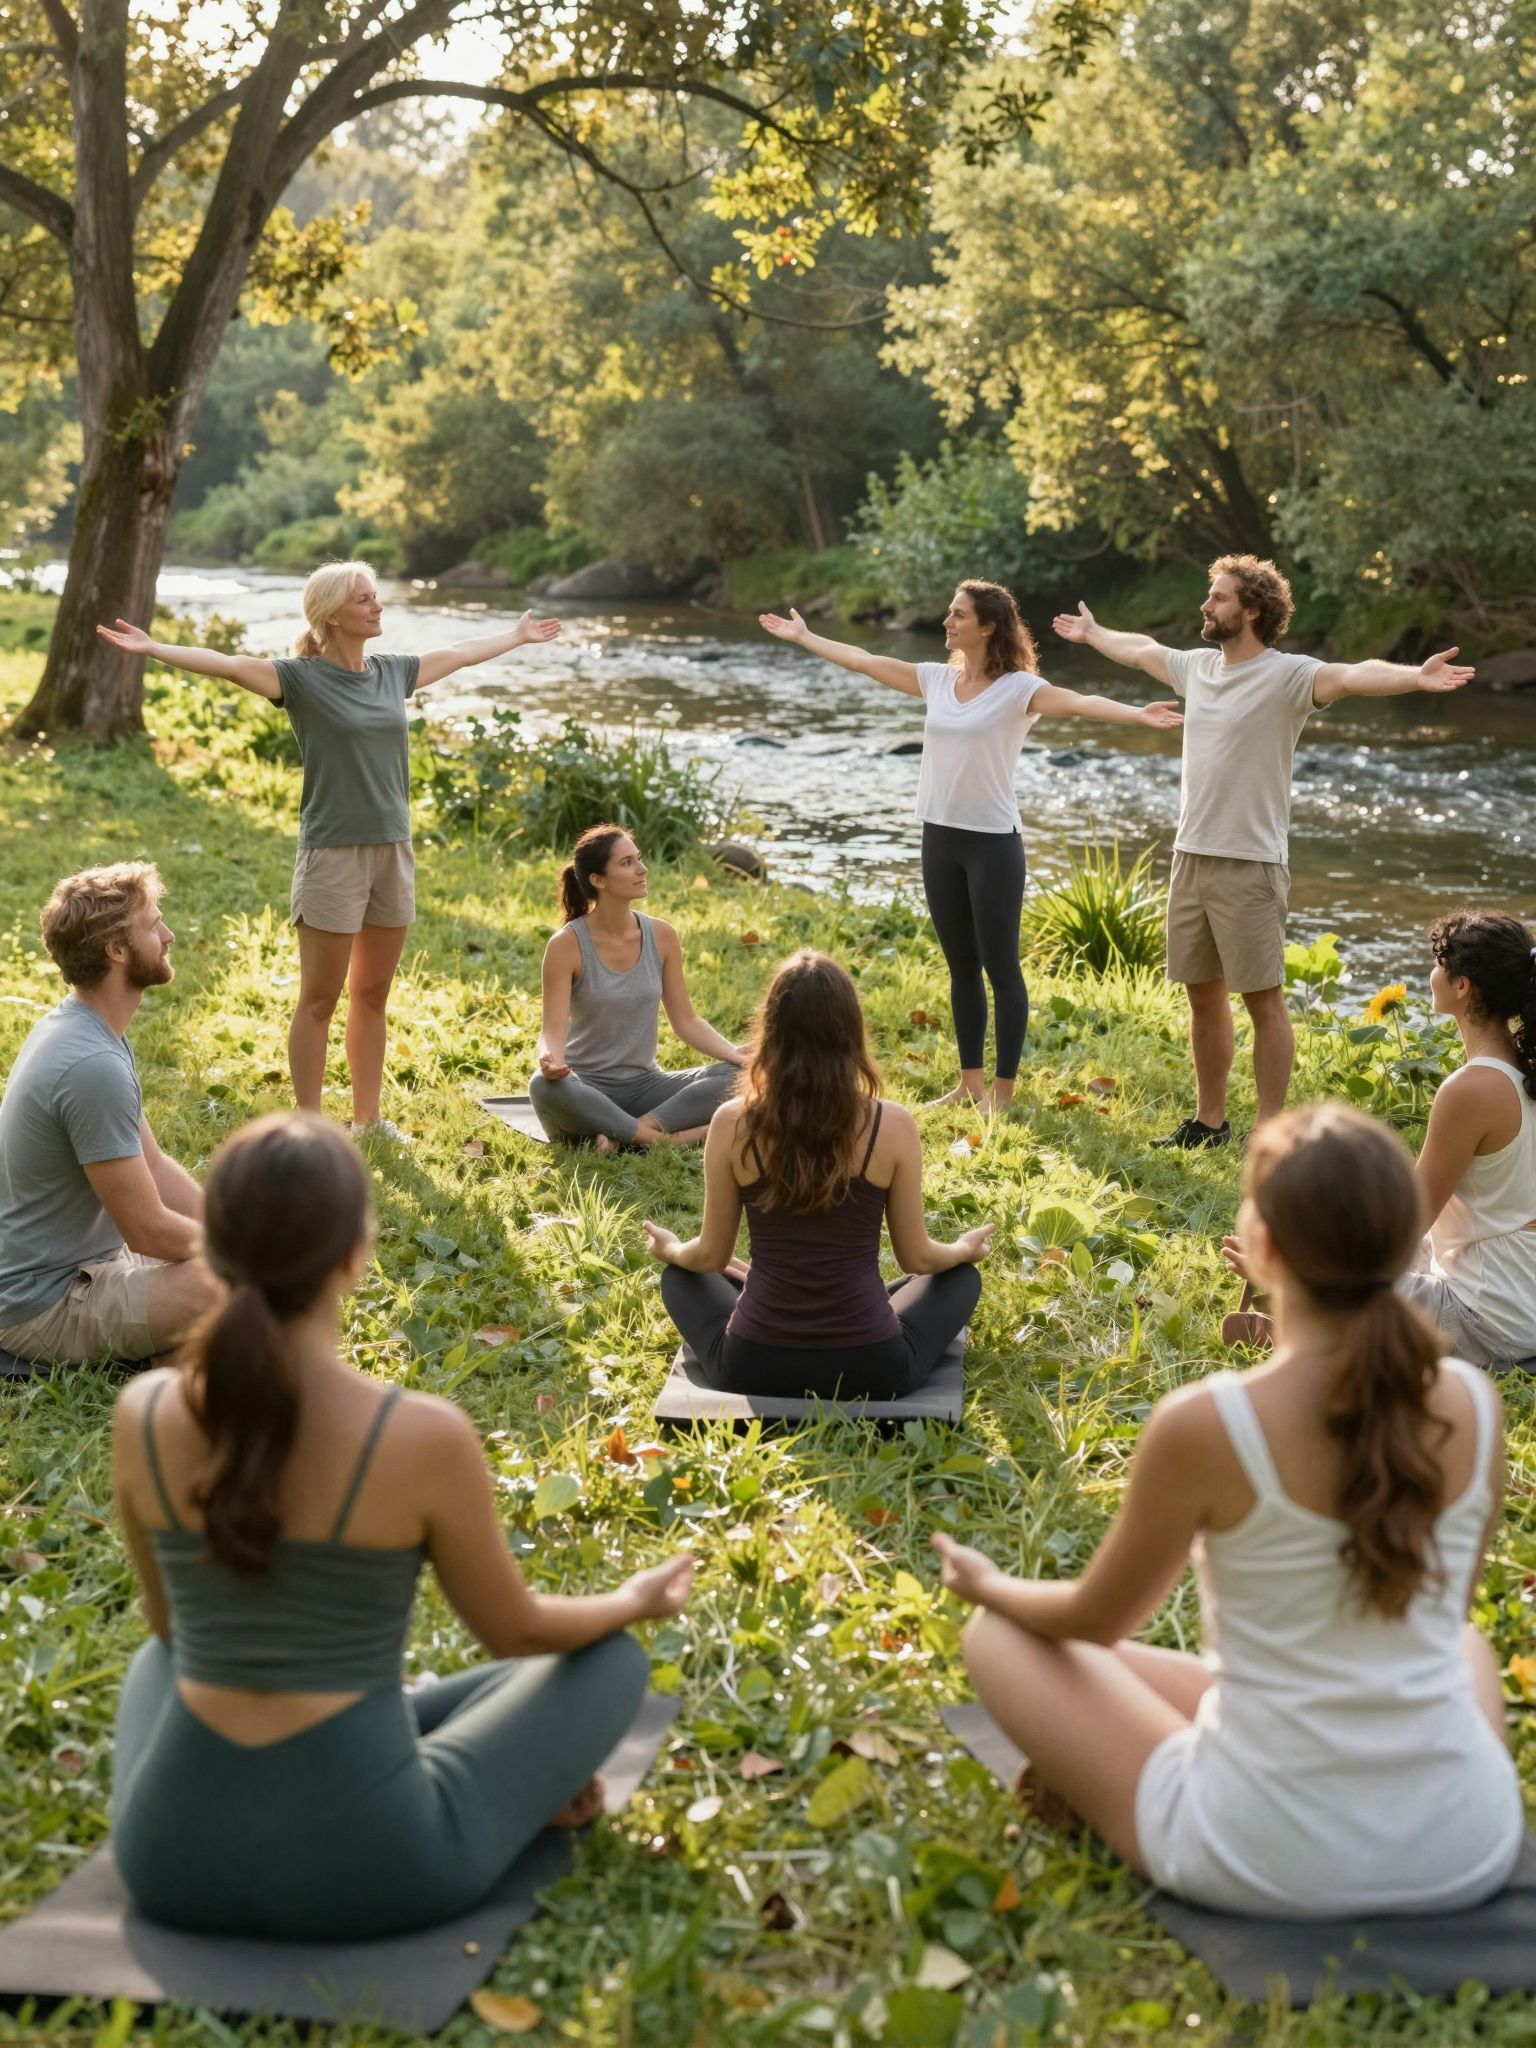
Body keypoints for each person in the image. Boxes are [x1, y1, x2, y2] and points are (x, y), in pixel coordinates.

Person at [109, 1111, 693, 1940]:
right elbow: (517, 1631)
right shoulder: (421, 1437)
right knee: (610, 1664)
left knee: (151, 1664)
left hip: (168, 1862)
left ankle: (394, 1719)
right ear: (353, 1255)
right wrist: (631, 1601)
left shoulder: (143, 1413)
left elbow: (171, 1629)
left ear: (214, 1248)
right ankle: (449, 1755)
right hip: (376, 1868)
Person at [933, 1105, 1522, 1919]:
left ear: (1266, 1249)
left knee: (998, 1638)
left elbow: (1092, 1620)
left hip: (1268, 1852)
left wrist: (989, 1584)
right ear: (1400, 1246)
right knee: (1463, 1645)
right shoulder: (1477, 1408)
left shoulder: (1210, 1424)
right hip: (1466, 1844)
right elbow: (1430, 1627)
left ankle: (1110, 1783)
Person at [97, 563, 561, 1144]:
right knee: (319, 999)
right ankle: (311, 1127)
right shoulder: (300, 680)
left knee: (372, 995)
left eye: (376, 598)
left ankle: (369, 1120)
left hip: (392, 851)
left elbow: (461, 652)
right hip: (333, 856)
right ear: (333, 614)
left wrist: (515, 637)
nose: (377, 607)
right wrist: (154, 648)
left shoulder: (393, 673)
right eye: (365, 600)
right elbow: (229, 665)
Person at [1053, 555, 1474, 1147]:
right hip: (1190, 854)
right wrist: (1096, 634)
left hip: (1251, 862)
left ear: (1252, 611)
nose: (1207, 606)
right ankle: (1209, 1121)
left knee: (1263, 1001)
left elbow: (1352, 676)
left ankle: (1271, 1129)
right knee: (1202, 995)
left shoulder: (1290, 676)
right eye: (1209, 596)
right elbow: (1141, 649)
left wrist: (1413, 676)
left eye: (1219, 598)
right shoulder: (1196, 667)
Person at [760, 583, 1182, 1112]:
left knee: (1001, 969)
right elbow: (866, 660)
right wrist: (806, 637)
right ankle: (970, 1085)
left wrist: (1136, 715)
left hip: (993, 845)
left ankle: (1002, 1095)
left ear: (987, 627)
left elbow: (1078, 703)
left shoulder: (1018, 689)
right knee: (961, 967)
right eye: (949, 613)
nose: (948, 622)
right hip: (939, 836)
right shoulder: (937, 680)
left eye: (958, 615)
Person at [642, 950, 992, 1399]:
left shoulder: (731, 1122)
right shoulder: (893, 1123)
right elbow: (919, 1261)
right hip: (874, 1370)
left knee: (680, 1275)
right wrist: (962, 1249)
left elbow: (708, 1257)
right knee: (959, 1276)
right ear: (850, 1032)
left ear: (770, 1032)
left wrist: (671, 1248)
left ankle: (769, 1289)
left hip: (753, 1366)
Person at [1228, 912, 1536, 1369]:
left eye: (1438, 962)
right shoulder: (1523, 1070)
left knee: (1333, 1271)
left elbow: (1406, 1220)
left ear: (1463, 986)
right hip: (1519, 1291)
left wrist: (1296, 1261)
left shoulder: (1471, 1090)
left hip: (1490, 1317)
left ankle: (1314, 1331)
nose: (1430, 972)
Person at [0, 863, 218, 1368]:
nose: (169, 935)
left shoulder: (89, 1028)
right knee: (243, 1286)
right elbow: (148, 1231)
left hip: (88, 1264)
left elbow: (156, 1169)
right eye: (153, 925)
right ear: (116, 951)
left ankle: (183, 1356)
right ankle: (173, 1368)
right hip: (42, 1302)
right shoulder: (91, 1065)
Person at [530, 824, 746, 1151]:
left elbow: (686, 1021)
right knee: (542, 1087)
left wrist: (734, 1054)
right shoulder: (566, 945)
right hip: (586, 1091)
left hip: (646, 1087)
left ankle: (626, 1134)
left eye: (638, 858)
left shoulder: (662, 936)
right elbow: (553, 1030)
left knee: (742, 1076)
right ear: (597, 880)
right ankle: (666, 1140)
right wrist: (550, 1059)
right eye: (627, 862)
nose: (642, 869)